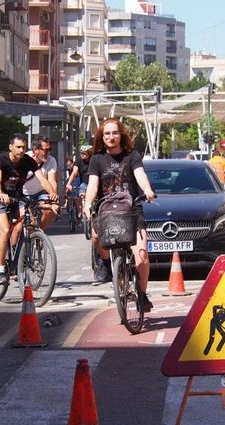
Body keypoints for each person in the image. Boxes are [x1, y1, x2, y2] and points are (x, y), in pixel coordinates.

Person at [84, 118, 157, 311]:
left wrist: (147, 190)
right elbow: (93, 184)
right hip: (105, 210)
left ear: (121, 135)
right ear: (101, 136)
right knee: (95, 236)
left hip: (131, 211)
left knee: (142, 254)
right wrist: (87, 203)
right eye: (107, 133)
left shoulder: (132, 156)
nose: (111, 137)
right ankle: (107, 263)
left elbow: (140, 174)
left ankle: (141, 295)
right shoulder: (96, 159)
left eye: (115, 133)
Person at [0, 133, 57, 284]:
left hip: (17, 199)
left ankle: (17, 264)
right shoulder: (1, 159)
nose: (21, 150)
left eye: (23, 147)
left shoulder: (28, 161)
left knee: (29, 224)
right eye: (18, 147)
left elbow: (42, 179)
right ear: (10, 147)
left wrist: (52, 193)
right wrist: (0, 194)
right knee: (5, 230)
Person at [23, 135, 61, 230]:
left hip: (39, 193)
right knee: (30, 224)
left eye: (49, 149)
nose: (48, 153)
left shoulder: (51, 160)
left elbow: (52, 181)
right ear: (36, 150)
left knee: (50, 210)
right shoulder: (25, 159)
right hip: (23, 194)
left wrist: (54, 201)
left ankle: (40, 233)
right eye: (46, 150)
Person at [65, 144, 93, 219]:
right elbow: (74, 172)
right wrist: (68, 184)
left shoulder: (94, 159)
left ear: (89, 153)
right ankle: (81, 210)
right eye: (80, 152)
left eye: (83, 153)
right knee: (81, 195)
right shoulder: (78, 161)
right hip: (84, 183)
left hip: (93, 183)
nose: (81, 154)